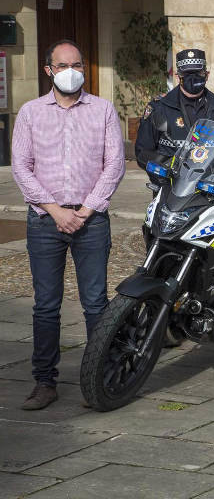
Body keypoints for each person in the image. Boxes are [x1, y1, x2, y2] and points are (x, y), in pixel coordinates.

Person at [11, 39, 125, 410]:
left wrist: (87, 209)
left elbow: (114, 164)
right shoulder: (30, 113)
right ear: (49, 70)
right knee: (46, 305)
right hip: (46, 220)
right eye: (63, 65)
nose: (71, 71)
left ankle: (100, 377)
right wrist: (56, 210)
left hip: (91, 221)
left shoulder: (103, 110)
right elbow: (21, 168)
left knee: (95, 303)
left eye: (77, 64)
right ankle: (45, 382)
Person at [135, 48, 214, 181]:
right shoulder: (160, 107)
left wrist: (213, 167)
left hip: (207, 184)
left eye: (198, 72)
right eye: (187, 73)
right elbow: (143, 151)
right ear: (178, 76)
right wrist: (163, 173)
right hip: (170, 186)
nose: (192, 77)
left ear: (206, 75)